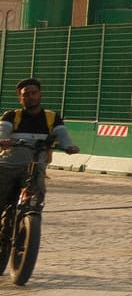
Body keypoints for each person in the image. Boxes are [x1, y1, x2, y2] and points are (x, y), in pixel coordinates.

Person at [0, 78, 80, 209]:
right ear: (20, 98)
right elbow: (2, 131)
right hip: (8, 167)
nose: (30, 97)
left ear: (40, 94)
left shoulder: (52, 117)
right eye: (26, 94)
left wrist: (68, 147)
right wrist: (2, 140)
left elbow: (63, 136)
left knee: (37, 199)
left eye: (34, 93)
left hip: (35, 168)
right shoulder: (11, 115)